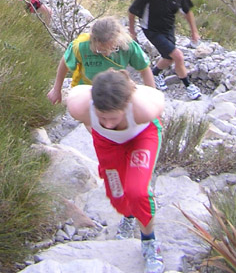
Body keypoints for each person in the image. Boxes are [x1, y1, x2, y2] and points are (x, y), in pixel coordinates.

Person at [66, 68, 165, 273]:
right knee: (117, 195)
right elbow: (90, 123)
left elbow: (157, 97)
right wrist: (102, 131)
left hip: (141, 136)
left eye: (114, 118)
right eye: (102, 117)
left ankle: (149, 242)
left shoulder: (144, 108)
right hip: (107, 143)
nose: (108, 123)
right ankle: (129, 216)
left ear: (126, 105)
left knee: (137, 192)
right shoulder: (78, 105)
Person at [47, 16, 156, 104]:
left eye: (112, 48)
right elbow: (65, 62)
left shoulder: (128, 45)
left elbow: (144, 69)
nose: (107, 53)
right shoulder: (80, 45)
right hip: (87, 88)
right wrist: (56, 89)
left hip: (114, 88)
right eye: (101, 50)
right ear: (93, 41)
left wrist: (152, 96)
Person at [128, 0, 201, 100]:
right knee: (178, 56)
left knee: (169, 58)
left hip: (168, 28)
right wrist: (132, 31)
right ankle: (188, 86)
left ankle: (154, 74)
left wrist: (194, 31)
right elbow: (132, 11)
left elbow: (187, 12)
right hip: (152, 30)